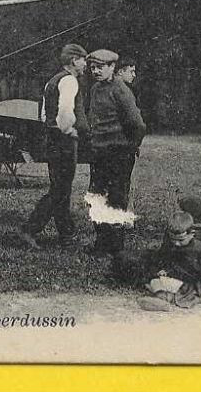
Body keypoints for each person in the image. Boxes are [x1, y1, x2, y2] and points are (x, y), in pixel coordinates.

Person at [18, 43, 89, 248]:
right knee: (60, 189)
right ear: (74, 60)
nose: (85, 64)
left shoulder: (52, 81)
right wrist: (69, 130)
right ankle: (29, 229)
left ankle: (67, 234)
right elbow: (66, 111)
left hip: (52, 139)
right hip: (64, 140)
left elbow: (42, 113)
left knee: (61, 188)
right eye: (83, 60)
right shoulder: (69, 81)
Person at [84, 49, 147, 255]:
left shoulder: (121, 90)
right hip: (99, 153)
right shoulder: (94, 89)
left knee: (117, 199)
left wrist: (130, 146)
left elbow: (137, 124)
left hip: (119, 154)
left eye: (100, 67)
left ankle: (116, 247)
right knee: (97, 197)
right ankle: (102, 243)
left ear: (112, 68)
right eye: (92, 67)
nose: (96, 71)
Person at [132, 212, 201, 311]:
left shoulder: (198, 249)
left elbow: (193, 273)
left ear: (192, 234)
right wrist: (161, 270)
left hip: (191, 283)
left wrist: (170, 273)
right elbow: (163, 259)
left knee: (174, 288)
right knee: (154, 282)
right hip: (172, 278)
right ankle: (162, 298)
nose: (177, 243)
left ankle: (165, 300)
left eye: (181, 240)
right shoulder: (170, 244)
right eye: (173, 240)